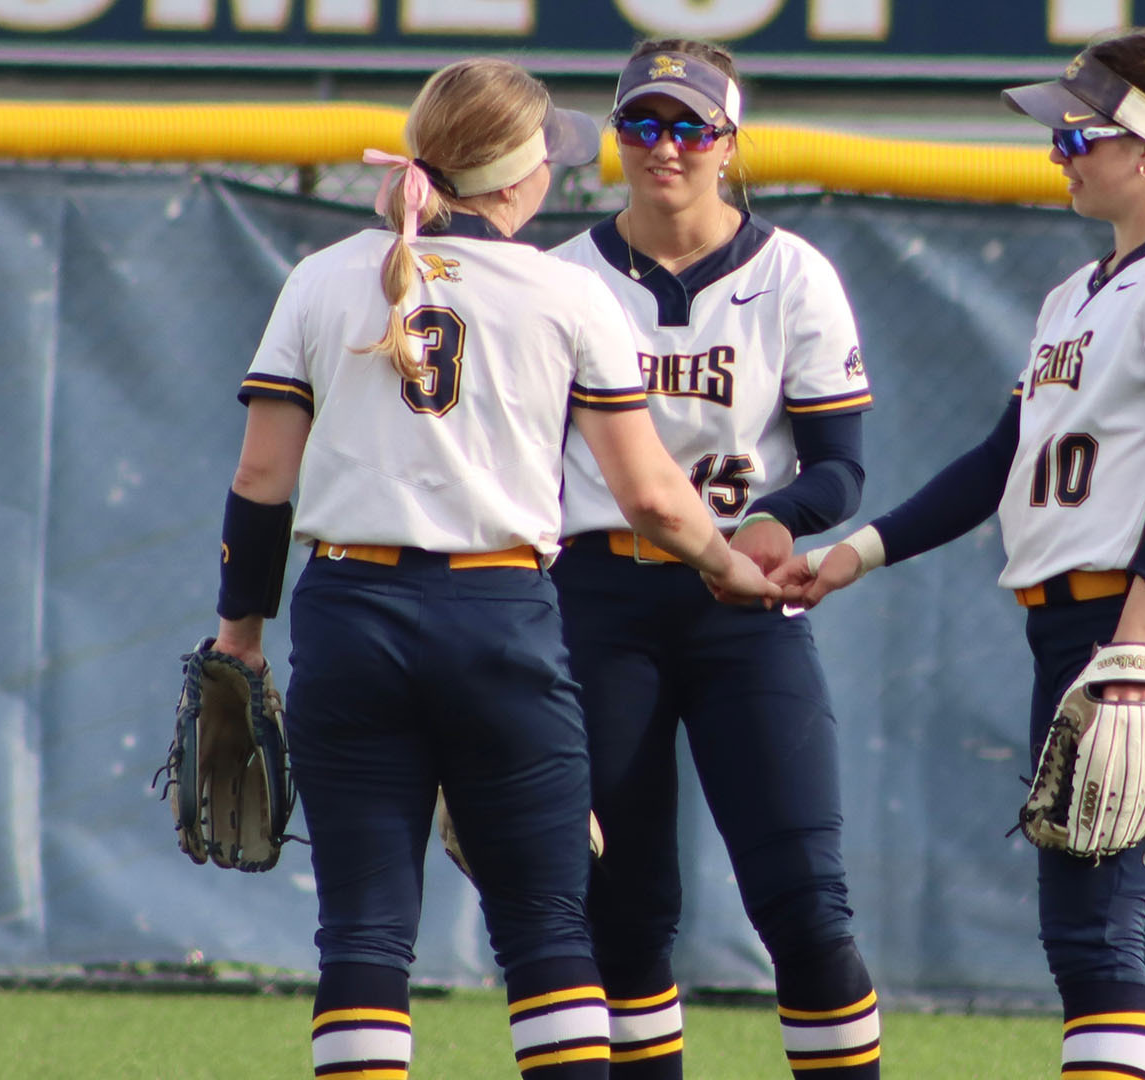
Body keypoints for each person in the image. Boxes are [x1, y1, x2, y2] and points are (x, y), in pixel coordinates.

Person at [206, 57, 777, 1080]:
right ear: (519, 176)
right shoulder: (565, 291)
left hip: (350, 612)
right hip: (498, 616)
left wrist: (239, 635)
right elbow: (649, 495)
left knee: (365, 934)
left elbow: (260, 477)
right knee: (547, 932)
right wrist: (726, 565)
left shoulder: (325, 275)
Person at [774, 27, 1145, 1080]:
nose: (1059, 154)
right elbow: (1000, 460)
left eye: (1078, 135)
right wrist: (851, 555)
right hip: (1072, 630)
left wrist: (1140, 643)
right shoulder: (1080, 291)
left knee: (1091, 932)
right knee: (1135, 933)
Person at [546, 39, 883, 1080]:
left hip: (742, 607)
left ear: (730, 143)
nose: (665, 147)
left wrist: (776, 525)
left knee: (803, 902)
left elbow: (838, 467)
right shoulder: (563, 277)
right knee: (622, 909)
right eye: (642, 124)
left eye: (690, 126)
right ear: (614, 137)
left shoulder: (790, 274)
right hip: (598, 596)